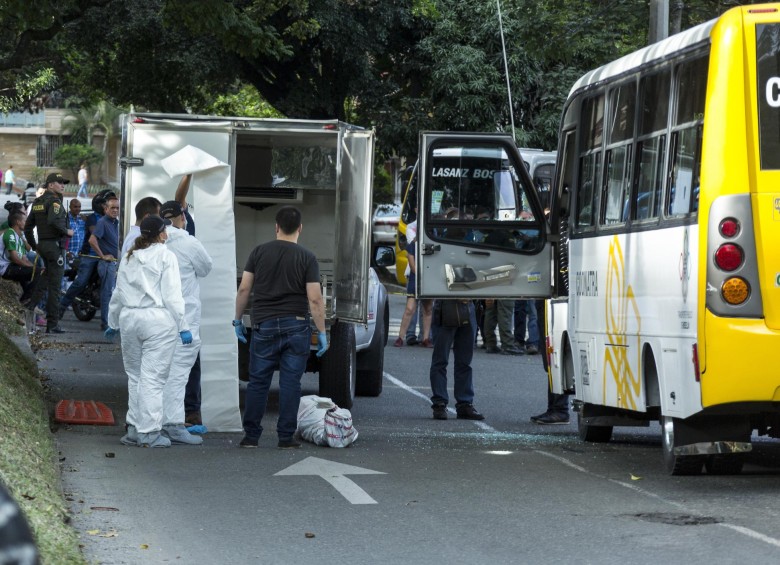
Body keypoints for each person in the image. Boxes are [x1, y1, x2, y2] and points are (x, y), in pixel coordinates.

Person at [233, 205, 328, 449]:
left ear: (275, 227)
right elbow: (315, 299)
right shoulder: (307, 257)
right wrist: (322, 332)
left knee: (258, 382)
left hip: (263, 325)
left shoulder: (258, 252)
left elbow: (244, 289)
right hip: (296, 326)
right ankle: (285, 437)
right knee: (290, 383)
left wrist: (237, 320)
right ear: (300, 229)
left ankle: (251, 436)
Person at [105, 215, 191, 448]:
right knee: (153, 378)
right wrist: (183, 326)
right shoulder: (166, 255)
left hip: (130, 318)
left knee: (135, 376)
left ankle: (133, 428)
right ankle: (149, 431)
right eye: (165, 230)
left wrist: (112, 322)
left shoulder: (130, 256)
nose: (167, 233)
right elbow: (173, 296)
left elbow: (118, 292)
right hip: (157, 321)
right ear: (160, 233)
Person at [158, 200, 212, 444]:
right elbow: (205, 268)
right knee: (179, 376)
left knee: (154, 373)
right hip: (185, 321)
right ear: (183, 217)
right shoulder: (189, 243)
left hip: (156, 319)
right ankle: (173, 424)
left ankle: (151, 423)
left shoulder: (151, 243)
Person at [23, 172, 73, 333]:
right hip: (54, 247)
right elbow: (52, 221)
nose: (62, 185)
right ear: (50, 185)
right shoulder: (54, 201)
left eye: (63, 182)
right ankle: (52, 324)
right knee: (55, 287)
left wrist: (34, 245)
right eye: (59, 182)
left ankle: (30, 307)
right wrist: (67, 231)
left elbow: (27, 227)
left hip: (44, 246)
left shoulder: (38, 202)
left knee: (45, 280)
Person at [60, 189, 115, 318]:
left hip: (106, 257)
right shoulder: (92, 218)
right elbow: (97, 235)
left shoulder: (112, 219)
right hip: (90, 256)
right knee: (81, 282)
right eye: (108, 203)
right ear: (100, 205)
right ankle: (61, 308)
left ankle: (106, 320)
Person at [428, 299, 485, 421]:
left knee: (464, 361)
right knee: (441, 359)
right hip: (446, 306)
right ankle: (440, 403)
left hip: (468, 306)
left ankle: (464, 404)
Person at [530, 300, 570, 425]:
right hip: (548, 303)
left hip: (556, 303)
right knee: (551, 360)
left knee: (556, 356)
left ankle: (560, 409)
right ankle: (554, 408)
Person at [88, 195, 120, 330]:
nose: (115, 210)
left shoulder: (116, 222)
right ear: (106, 209)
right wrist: (102, 256)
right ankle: (105, 322)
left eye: (117, 208)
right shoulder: (103, 222)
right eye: (112, 208)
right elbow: (92, 240)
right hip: (107, 264)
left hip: (115, 263)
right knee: (107, 293)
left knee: (113, 293)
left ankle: (110, 321)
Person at [395, 237, 432, 348]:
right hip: (416, 279)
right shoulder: (414, 243)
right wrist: (421, 276)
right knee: (409, 309)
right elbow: (412, 265)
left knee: (428, 308)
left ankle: (426, 338)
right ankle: (400, 337)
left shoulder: (433, 240)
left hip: (429, 277)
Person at [0, 210, 39, 302]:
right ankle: (26, 300)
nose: (27, 223)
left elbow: (24, 259)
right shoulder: (10, 234)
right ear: (18, 222)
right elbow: (15, 259)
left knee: (40, 272)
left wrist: (34, 268)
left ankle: (28, 301)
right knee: (40, 273)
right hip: (6, 269)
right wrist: (34, 269)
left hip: (13, 266)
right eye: (25, 221)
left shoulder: (19, 237)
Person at [65, 198, 86, 267]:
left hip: (80, 255)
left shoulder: (82, 219)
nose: (78, 209)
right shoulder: (65, 219)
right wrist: (66, 252)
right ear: (70, 207)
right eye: (75, 207)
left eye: (79, 207)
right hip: (69, 255)